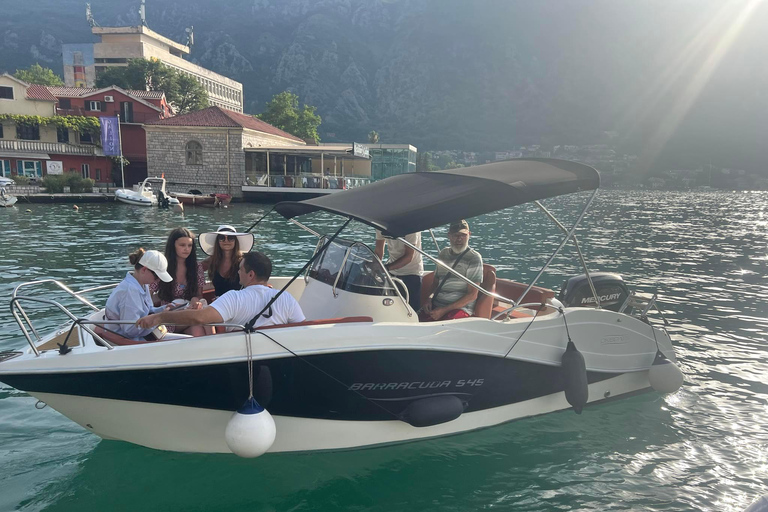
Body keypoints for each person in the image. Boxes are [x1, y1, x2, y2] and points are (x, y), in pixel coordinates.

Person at [137, 251, 304, 332]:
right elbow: (302, 328)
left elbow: (199, 317)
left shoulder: (234, 298)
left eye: (240, 269)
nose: (238, 272)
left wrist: (159, 317)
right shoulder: (287, 298)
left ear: (250, 274)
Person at [104, 248, 173, 341]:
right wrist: (160, 319)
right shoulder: (129, 291)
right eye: (157, 276)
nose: (158, 280)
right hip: (126, 341)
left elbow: (148, 309)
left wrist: (163, 309)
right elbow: (130, 330)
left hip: (140, 337)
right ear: (144, 269)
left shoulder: (143, 284)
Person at [421, 219, 483, 321]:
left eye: (463, 235)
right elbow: (435, 282)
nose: (459, 239)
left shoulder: (474, 258)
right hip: (437, 306)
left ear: (469, 235)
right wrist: (428, 300)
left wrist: (444, 310)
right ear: (449, 235)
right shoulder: (443, 254)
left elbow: (472, 295)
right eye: (455, 235)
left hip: (460, 309)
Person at [150, 227, 206, 336]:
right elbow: (149, 292)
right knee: (199, 322)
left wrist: (196, 300)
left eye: (189, 245)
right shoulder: (162, 267)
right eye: (182, 245)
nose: (186, 249)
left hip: (189, 311)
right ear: (173, 246)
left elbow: (199, 295)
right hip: (168, 315)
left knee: (197, 329)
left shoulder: (196, 267)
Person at [199, 225, 255, 298]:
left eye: (230, 238)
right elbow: (196, 269)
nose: (226, 241)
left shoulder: (244, 261)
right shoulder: (212, 260)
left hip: (239, 303)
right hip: (217, 304)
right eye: (222, 238)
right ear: (218, 241)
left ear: (235, 241)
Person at [375, 230, 423, 311]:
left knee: (410, 310)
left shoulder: (411, 227)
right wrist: (372, 267)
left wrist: (386, 268)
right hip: (392, 272)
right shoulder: (381, 224)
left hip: (412, 272)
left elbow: (409, 257)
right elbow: (379, 251)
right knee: (390, 309)